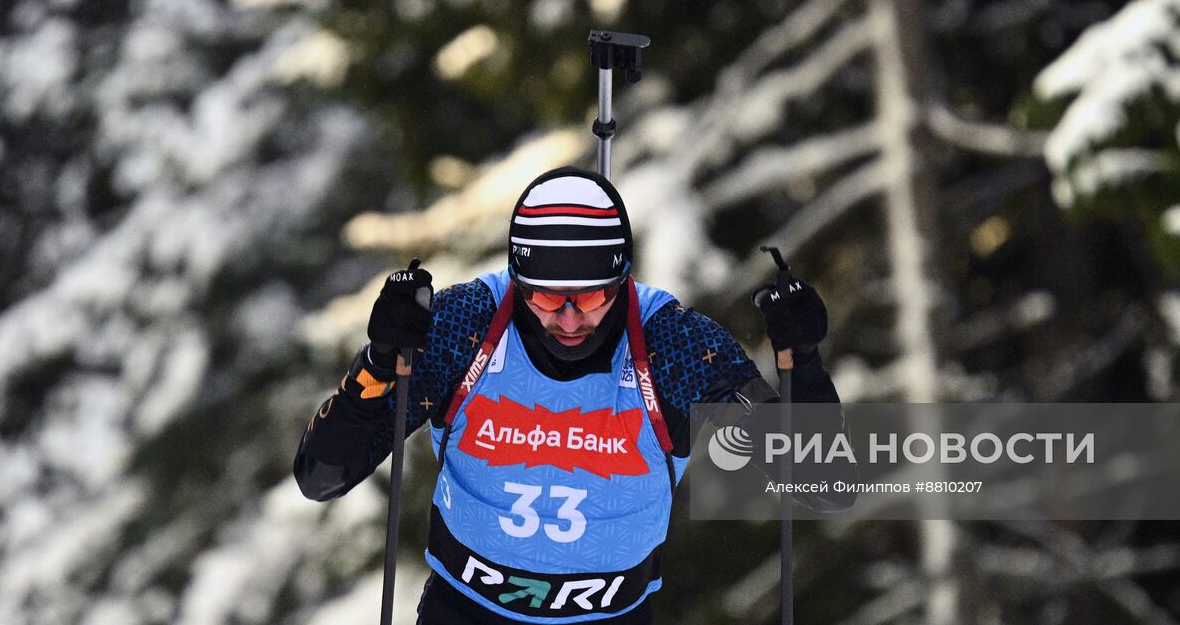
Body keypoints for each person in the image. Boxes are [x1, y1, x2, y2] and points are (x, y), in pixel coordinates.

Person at [294, 166, 842, 624]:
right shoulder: (466, 326)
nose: (571, 319)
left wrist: (806, 363)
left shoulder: (673, 344)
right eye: (547, 299)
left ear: (624, 276)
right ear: (518, 279)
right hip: (465, 612)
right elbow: (321, 476)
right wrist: (379, 364)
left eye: (593, 297)